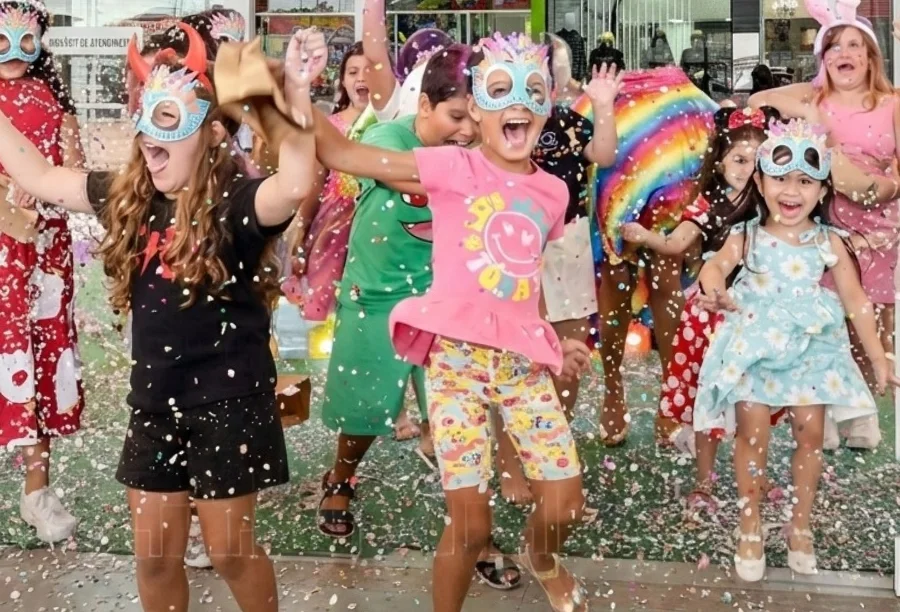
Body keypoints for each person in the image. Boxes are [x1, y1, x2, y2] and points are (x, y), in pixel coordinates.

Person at [0, 23, 321, 612]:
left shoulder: (237, 205)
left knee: (230, 552)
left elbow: (296, 182)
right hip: (154, 403)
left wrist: (295, 98)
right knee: (152, 557)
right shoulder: (129, 198)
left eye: (169, 121)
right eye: (145, 120)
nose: (150, 136)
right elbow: (39, 176)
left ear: (209, 133)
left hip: (230, 402)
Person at [312, 32, 593, 612]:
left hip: (520, 366)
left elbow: (522, 276)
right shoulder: (452, 166)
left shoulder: (553, 192)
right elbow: (345, 156)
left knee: (564, 504)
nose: (517, 101)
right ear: (480, 112)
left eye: (532, 91)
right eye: (498, 90)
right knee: (469, 525)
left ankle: (542, 556)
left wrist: (555, 341)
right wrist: (295, 94)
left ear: (546, 107)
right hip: (456, 367)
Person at [692, 117, 898, 582]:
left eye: (805, 181)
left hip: (811, 346)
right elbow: (715, 267)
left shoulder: (829, 241)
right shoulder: (746, 236)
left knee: (809, 434)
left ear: (823, 191)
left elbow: (856, 302)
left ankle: (799, 523)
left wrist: (881, 355)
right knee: (752, 434)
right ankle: (750, 522)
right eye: (780, 178)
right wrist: (714, 289)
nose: (792, 191)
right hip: (754, 345)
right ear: (760, 182)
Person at [748, 0, 899, 450]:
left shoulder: (892, 104)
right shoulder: (815, 100)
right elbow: (757, 101)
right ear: (823, 60)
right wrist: (809, 107)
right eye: (833, 47)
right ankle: (825, 410)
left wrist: (885, 187)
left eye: (854, 44)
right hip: (826, 222)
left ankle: (865, 410)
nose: (843, 53)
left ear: (871, 57)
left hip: (880, 227)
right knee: (824, 320)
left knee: (870, 317)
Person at [622, 106, 781, 512]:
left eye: (756, 160)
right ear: (721, 160)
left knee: (757, 401)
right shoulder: (708, 203)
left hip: (760, 314)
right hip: (710, 313)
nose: (747, 169)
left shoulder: (776, 203)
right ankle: (705, 481)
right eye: (739, 159)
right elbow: (676, 244)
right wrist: (645, 236)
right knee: (706, 398)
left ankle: (760, 477)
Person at [586, 65, 718, 446]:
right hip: (625, 144)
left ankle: (671, 399)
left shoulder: (690, 97)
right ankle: (613, 389)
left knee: (666, 276)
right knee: (616, 274)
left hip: (679, 132)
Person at [0, 0, 85, 544]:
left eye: (25, 37)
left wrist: (47, 188)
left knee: (40, 351)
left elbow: (74, 167)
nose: (14, 49)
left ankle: (38, 489)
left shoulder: (53, 96)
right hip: (4, 249)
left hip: (45, 253)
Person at [284, 42, 369, 321]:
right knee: (324, 296)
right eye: (353, 72)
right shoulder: (330, 126)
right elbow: (315, 182)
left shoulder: (394, 125)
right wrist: (300, 227)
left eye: (369, 70)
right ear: (343, 81)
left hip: (373, 226)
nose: (362, 78)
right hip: (333, 226)